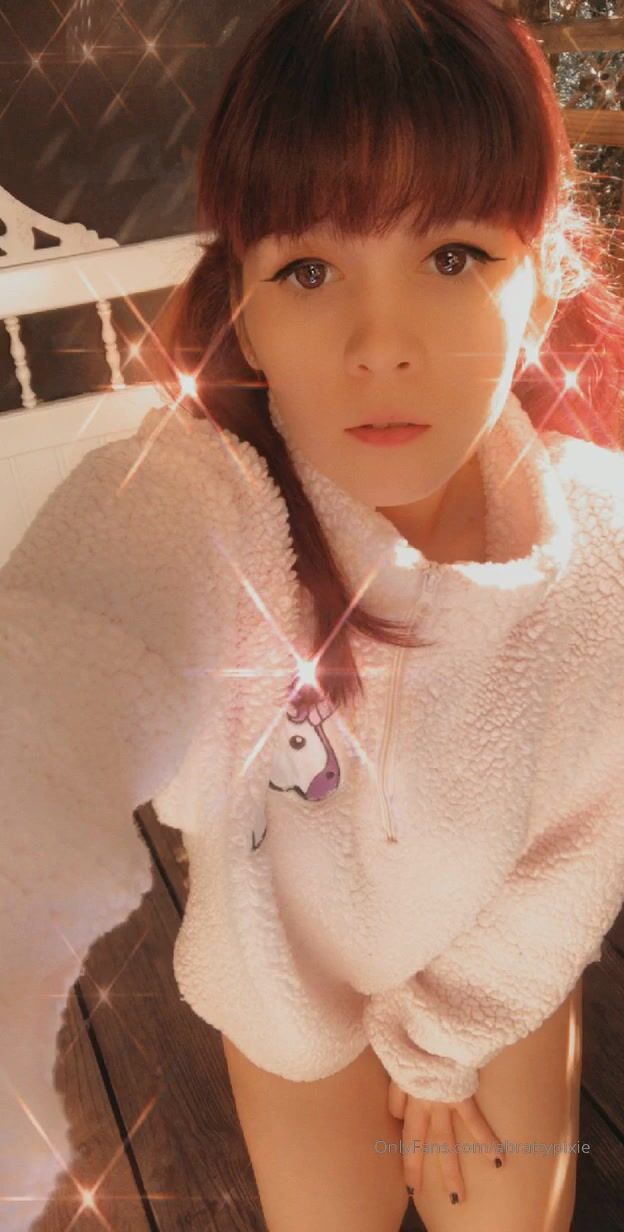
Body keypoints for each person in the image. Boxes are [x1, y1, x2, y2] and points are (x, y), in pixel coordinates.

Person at [1, 1, 623, 1230]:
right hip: (291, 984)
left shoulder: (601, 548)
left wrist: (448, 1035)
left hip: (498, 959)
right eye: (308, 269)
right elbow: (77, 634)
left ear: (544, 275)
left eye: (454, 256)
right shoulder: (210, 504)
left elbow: (582, 844)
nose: (379, 345)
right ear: (245, 300)